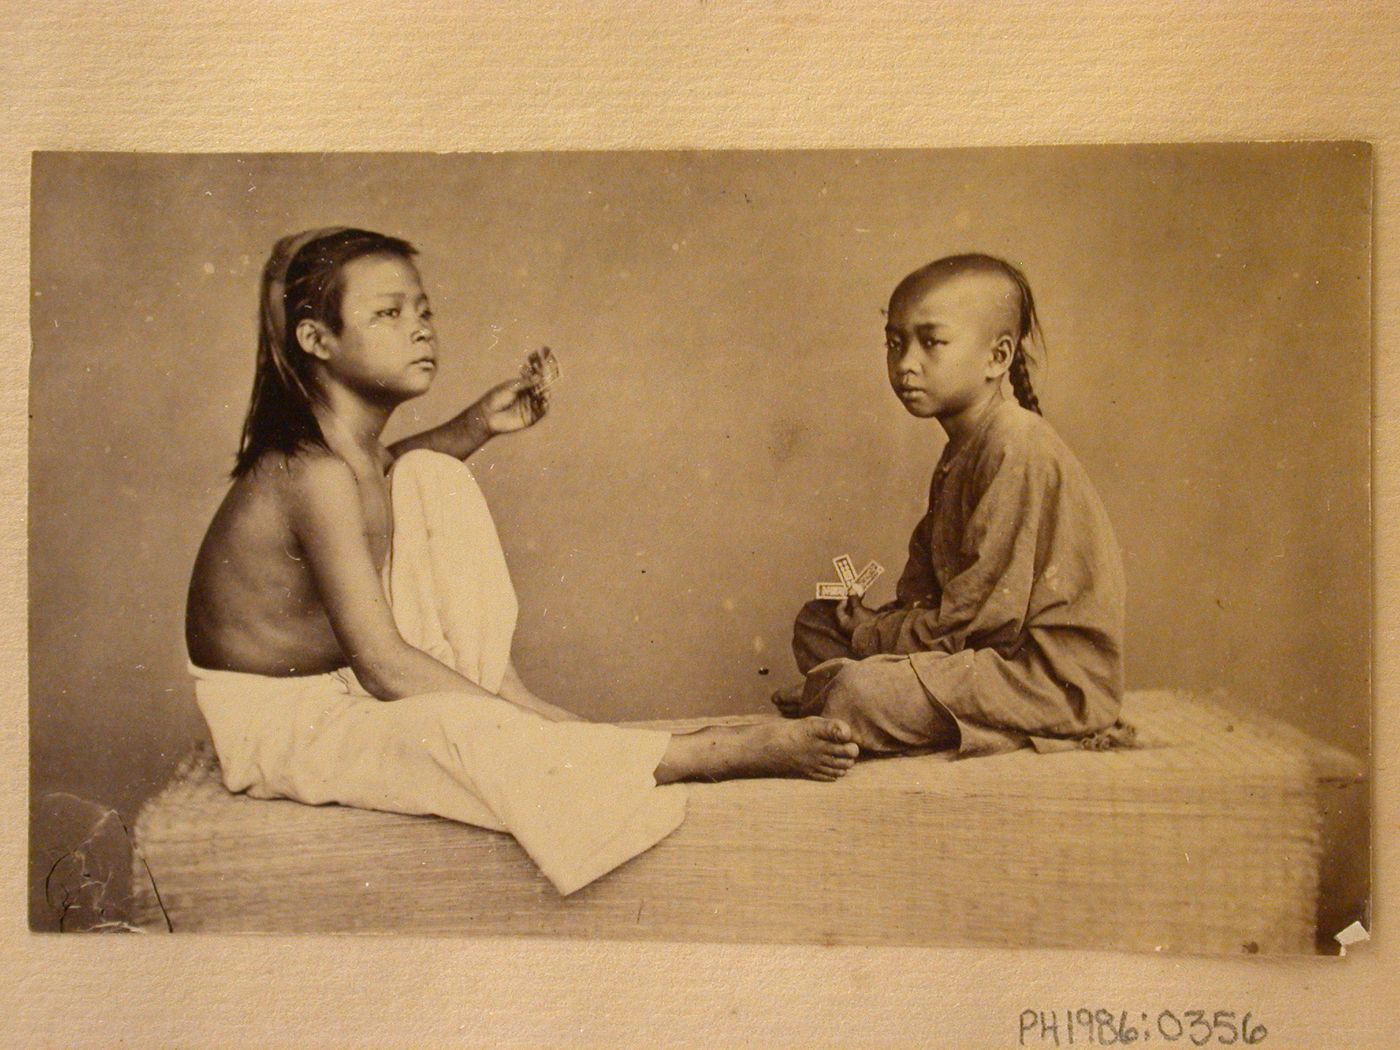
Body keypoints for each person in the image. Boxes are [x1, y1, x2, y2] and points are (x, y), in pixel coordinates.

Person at [185, 227, 858, 895]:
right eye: (388, 314)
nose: (420, 329)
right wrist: (510, 730)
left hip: (342, 686)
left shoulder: (349, 458)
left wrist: (478, 424)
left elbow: (388, 474)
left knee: (428, 474)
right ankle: (702, 754)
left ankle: (510, 698)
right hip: (283, 725)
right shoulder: (310, 473)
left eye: (423, 311)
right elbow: (385, 666)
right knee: (446, 734)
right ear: (316, 340)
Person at [772, 254, 1128, 758]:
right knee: (817, 623)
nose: (905, 364)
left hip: (1040, 679)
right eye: (895, 344)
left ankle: (845, 697)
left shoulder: (1015, 444)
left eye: (931, 342)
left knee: (858, 692)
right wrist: (871, 623)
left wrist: (875, 637)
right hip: (979, 655)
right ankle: (850, 697)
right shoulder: (960, 451)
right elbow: (928, 594)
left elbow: (980, 621)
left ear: (998, 357)